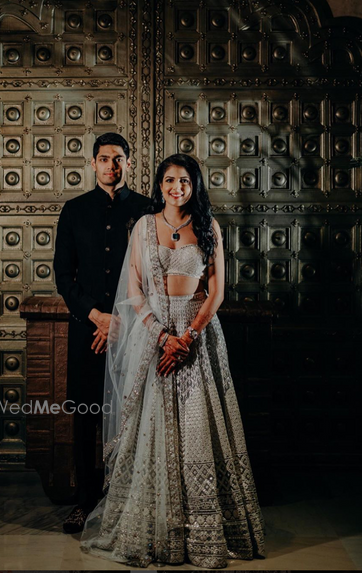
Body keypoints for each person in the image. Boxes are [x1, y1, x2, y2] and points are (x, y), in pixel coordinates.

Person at [80, 153, 266, 568]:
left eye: (183, 181)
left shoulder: (208, 226)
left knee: (199, 429)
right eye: (168, 180)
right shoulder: (144, 227)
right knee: (152, 430)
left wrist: (188, 338)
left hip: (198, 336)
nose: (176, 187)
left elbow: (216, 290)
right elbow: (133, 288)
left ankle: (203, 534)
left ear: (194, 185)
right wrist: (163, 337)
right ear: (159, 185)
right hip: (154, 336)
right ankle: (154, 531)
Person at [53, 133, 150, 533]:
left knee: (134, 416)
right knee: (87, 419)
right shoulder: (74, 211)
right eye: (104, 158)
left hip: (135, 332)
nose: (112, 165)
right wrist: (97, 316)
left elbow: (152, 276)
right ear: (93, 164)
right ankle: (84, 502)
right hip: (88, 332)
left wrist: (123, 319)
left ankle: (129, 500)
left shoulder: (148, 209)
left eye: (119, 158)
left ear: (130, 163)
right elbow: (63, 276)